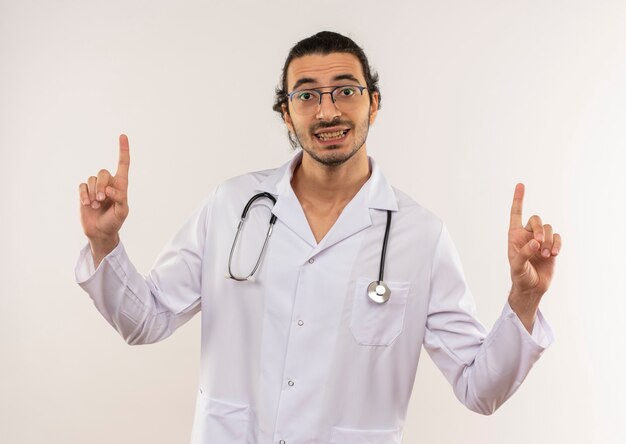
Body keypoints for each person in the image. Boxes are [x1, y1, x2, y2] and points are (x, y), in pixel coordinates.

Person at [76, 31, 561, 444]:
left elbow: (480, 389)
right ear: (286, 114)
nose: (327, 111)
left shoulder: (421, 236)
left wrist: (524, 299)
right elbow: (146, 322)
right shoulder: (231, 207)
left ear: (373, 102)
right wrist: (105, 244)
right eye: (306, 95)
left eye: (345, 90)